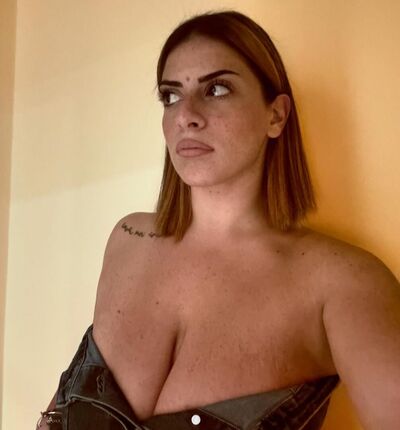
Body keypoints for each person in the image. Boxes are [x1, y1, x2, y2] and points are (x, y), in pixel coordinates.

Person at [37, 10, 400, 430]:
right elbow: (61, 408)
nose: (186, 115)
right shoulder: (127, 238)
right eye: (171, 96)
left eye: (217, 89)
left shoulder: (342, 283)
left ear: (276, 116)